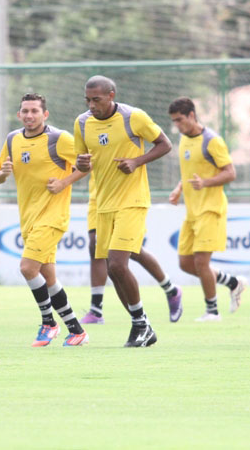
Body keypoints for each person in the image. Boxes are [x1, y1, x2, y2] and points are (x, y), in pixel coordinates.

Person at [74, 75, 172, 347]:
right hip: (103, 204)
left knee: (118, 264)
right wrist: (81, 163)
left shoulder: (134, 117)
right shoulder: (82, 123)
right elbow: (82, 165)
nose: (92, 105)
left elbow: (165, 144)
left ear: (111, 95)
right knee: (112, 270)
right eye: (88, 100)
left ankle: (142, 324)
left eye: (97, 100)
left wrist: (137, 161)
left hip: (132, 201)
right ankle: (141, 325)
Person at [0, 92, 89, 347]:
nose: (29, 115)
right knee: (48, 278)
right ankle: (76, 330)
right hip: (28, 217)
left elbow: (88, 163)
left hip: (53, 216)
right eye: (25, 111)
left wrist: (64, 182)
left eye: (35, 111)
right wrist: (2, 174)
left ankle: (48, 323)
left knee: (27, 268)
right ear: (18, 114)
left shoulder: (59, 139)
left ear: (45, 114)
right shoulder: (13, 139)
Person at [167, 97, 246, 321]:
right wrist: (179, 188)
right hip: (191, 212)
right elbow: (191, 171)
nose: (177, 126)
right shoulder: (183, 139)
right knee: (185, 263)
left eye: (180, 120)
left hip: (211, 209)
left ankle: (212, 311)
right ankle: (233, 283)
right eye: (174, 122)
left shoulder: (212, 140)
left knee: (202, 262)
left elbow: (230, 173)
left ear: (192, 115)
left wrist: (206, 183)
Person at [79, 174, 183, 324]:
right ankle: (96, 310)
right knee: (95, 246)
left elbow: (159, 150)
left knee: (132, 251)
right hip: (99, 196)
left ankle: (171, 290)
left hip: (123, 196)